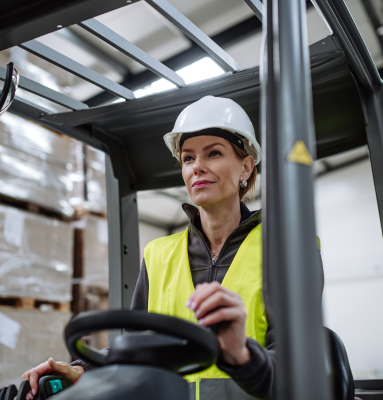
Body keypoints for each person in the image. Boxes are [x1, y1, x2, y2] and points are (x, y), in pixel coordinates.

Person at [21, 96, 324, 400]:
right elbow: (135, 344)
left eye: (213, 153)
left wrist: (242, 354)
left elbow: (296, 364)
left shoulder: (288, 249)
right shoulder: (158, 254)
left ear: (246, 167)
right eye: (188, 158)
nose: (198, 167)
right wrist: (82, 369)